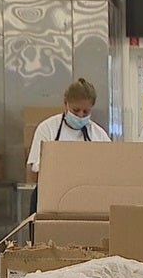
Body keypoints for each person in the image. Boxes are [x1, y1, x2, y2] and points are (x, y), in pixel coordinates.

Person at [27, 78, 112, 216]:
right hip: (48, 201)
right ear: (66, 104)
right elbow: (32, 171)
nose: (80, 116)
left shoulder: (98, 134)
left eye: (86, 112)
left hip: (87, 202)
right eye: (76, 110)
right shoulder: (47, 128)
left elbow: (110, 171)